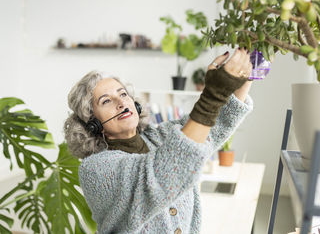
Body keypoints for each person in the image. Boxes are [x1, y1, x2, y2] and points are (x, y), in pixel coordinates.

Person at [64, 47, 254, 234]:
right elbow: (163, 172)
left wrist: (243, 77)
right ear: (92, 123)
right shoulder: (95, 169)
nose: (121, 103)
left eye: (123, 94)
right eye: (106, 101)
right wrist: (213, 93)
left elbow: (214, 125)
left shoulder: (158, 137)